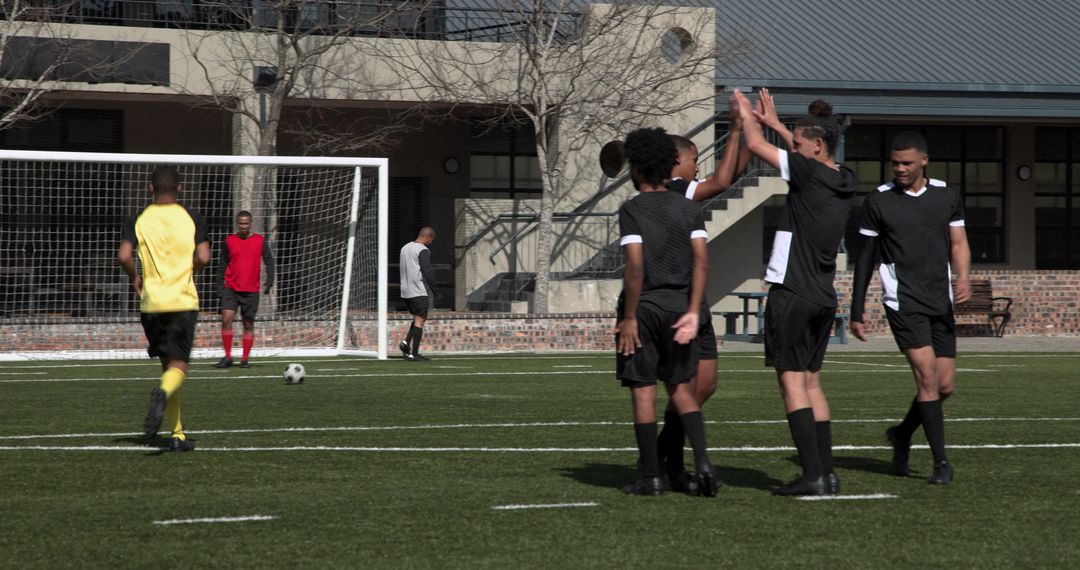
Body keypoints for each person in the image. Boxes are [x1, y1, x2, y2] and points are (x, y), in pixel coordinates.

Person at [734, 89, 856, 496]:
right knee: (812, 384)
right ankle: (828, 474)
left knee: (791, 385)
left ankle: (811, 475)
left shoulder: (806, 172)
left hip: (793, 293)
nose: (795, 146)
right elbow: (805, 158)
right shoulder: (842, 177)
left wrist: (745, 113)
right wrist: (777, 127)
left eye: (800, 141)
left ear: (818, 145)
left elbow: (752, 147)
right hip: (823, 296)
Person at [849, 131, 971, 485]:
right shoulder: (878, 201)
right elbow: (865, 259)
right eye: (895, 163)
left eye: (906, 163)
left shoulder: (947, 195)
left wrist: (963, 277)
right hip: (903, 302)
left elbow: (959, 242)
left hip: (939, 300)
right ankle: (941, 463)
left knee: (945, 385)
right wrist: (857, 311)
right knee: (927, 378)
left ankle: (902, 433)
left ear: (924, 161)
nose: (899, 169)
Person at [615, 126, 718, 497]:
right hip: (681, 307)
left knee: (644, 392)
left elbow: (635, 267)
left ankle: (651, 479)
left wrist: (628, 317)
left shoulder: (632, 209)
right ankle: (703, 462)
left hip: (646, 308)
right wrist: (693, 311)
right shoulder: (689, 207)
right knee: (682, 390)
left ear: (638, 168)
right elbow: (703, 262)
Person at [655, 99, 751, 492]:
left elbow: (734, 171)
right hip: (675, 303)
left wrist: (746, 134)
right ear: (677, 161)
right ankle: (667, 463)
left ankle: (661, 453)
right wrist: (737, 128)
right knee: (686, 388)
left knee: (704, 384)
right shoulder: (673, 188)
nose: (698, 166)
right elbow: (723, 181)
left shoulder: (682, 187)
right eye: (694, 158)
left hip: (697, 301)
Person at [118, 165, 210, 452]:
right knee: (178, 366)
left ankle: (177, 434)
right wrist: (190, 271)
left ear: (151, 188)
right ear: (180, 188)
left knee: (167, 366)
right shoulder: (192, 216)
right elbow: (205, 257)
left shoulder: (138, 218)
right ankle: (162, 394)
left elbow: (123, 255)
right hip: (182, 301)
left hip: (152, 304)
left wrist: (135, 277)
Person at [214, 210, 275, 369]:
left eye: (246, 223)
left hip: (251, 290)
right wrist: (219, 283)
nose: (243, 226)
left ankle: (245, 359)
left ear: (251, 223)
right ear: (237, 223)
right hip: (231, 288)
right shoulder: (229, 241)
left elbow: (269, 261)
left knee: (248, 324)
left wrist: (269, 281)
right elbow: (222, 263)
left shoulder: (260, 241)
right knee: (226, 319)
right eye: (241, 223)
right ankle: (227, 357)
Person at [399, 227, 438, 361]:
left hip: (405, 291)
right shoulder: (422, 249)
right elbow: (427, 270)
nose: (431, 243)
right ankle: (413, 354)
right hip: (417, 290)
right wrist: (435, 290)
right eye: (431, 240)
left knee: (418, 319)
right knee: (420, 320)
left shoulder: (405, 248)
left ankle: (406, 343)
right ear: (427, 237)